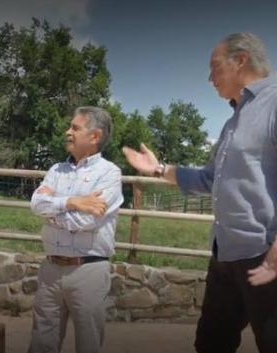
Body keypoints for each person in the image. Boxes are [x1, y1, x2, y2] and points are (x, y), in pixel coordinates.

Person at [122, 32, 277, 353]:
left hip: (265, 256)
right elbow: (209, 179)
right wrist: (158, 169)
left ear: (241, 60)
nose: (209, 78)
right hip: (225, 255)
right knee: (210, 344)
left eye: (215, 67)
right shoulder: (233, 121)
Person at [28, 106, 123, 353]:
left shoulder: (110, 173)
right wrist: (72, 202)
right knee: (41, 343)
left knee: (88, 345)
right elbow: (36, 204)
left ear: (94, 136)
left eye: (75, 127)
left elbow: (87, 222)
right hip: (50, 270)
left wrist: (53, 213)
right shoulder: (56, 170)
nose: (67, 132)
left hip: (88, 271)